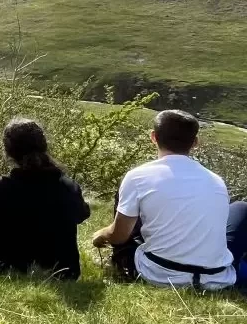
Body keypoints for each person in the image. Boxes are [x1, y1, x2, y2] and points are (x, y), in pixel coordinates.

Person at [93, 110, 247, 290]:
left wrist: (101, 235)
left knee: (129, 208)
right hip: (216, 278)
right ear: (195, 142)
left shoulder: (137, 176)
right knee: (241, 208)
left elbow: (118, 237)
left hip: (159, 274)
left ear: (153, 137)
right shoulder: (216, 181)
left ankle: (122, 268)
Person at [0, 118, 91, 279]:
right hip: (63, 272)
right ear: (44, 146)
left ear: (8, 151)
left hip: (5, 269)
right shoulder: (68, 187)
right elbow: (82, 214)